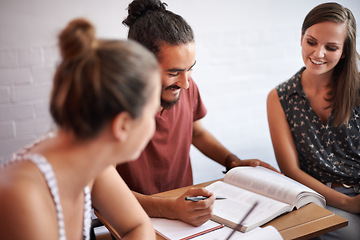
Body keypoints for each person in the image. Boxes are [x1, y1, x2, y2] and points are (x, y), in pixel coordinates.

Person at [116, 0, 279, 227]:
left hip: (183, 212)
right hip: (134, 219)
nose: (185, 83)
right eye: (174, 73)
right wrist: (170, 208)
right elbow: (103, 191)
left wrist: (232, 162)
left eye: (190, 69)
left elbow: (196, 132)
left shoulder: (186, 87)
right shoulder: (111, 106)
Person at [0, 18, 161, 240]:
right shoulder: (23, 197)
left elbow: (138, 225)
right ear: (123, 125)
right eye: (152, 114)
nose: (154, 125)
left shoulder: (92, 160)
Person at [267, 2, 360, 240]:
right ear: (301, 38)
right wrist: (347, 203)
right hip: (317, 197)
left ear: (345, 50)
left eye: (331, 47)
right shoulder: (280, 97)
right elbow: (290, 169)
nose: (318, 54)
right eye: (311, 42)